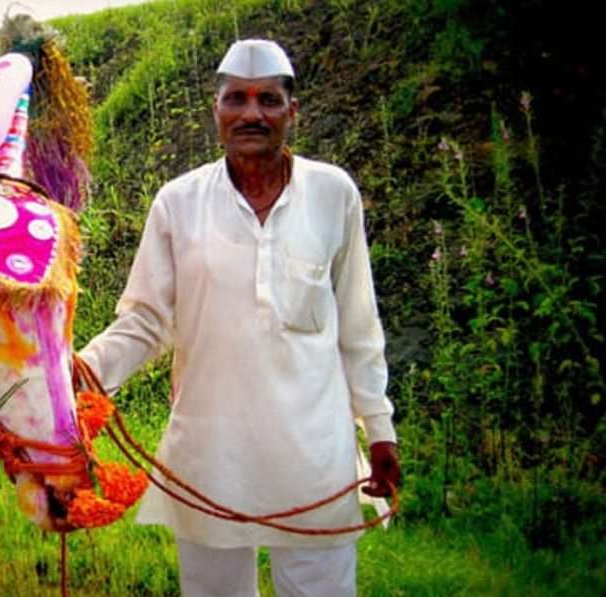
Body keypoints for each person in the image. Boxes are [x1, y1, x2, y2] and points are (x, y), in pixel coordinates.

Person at [78, 39, 400, 596]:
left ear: (292, 113)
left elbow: (357, 324)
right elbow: (147, 320)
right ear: (216, 109)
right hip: (209, 455)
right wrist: (78, 374)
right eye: (237, 99)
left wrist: (379, 428)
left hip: (313, 456)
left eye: (269, 100)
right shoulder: (177, 202)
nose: (252, 113)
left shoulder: (332, 193)